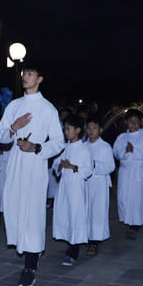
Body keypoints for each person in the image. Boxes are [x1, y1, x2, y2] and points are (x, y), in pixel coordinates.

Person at [0, 65, 64, 286]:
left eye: (30, 74)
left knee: (33, 211)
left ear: (40, 79)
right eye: (24, 74)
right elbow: (2, 137)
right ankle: (22, 249)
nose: (25, 77)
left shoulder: (47, 109)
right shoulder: (14, 105)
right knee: (15, 206)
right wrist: (13, 128)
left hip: (35, 165)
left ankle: (30, 266)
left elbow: (57, 141)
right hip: (15, 163)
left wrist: (37, 147)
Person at [51, 114, 91, 266]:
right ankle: (69, 241)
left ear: (78, 130)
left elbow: (88, 170)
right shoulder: (63, 148)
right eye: (65, 129)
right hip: (64, 186)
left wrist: (73, 167)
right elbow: (56, 165)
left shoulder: (84, 149)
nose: (65, 132)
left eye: (68, 129)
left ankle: (73, 250)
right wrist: (60, 166)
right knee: (65, 214)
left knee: (75, 215)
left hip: (76, 188)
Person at [113, 109, 143, 239]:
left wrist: (134, 151)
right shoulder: (121, 137)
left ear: (140, 122)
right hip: (125, 171)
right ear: (126, 122)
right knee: (123, 197)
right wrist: (125, 152)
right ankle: (127, 219)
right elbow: (116, 153)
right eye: (131, 122)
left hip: (138, 171)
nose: (134, 125)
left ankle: (134, 223)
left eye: (136, 122)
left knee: (136, 197)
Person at [84, 117, 114, 255]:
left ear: (100, 130)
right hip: (85, 183)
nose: (91, 131)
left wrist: (95, 164)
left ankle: (95, 241)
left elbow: (110, 166)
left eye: (94, 128)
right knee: (85, 210)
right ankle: (84, 236)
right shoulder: (83, 146)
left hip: (99, 183)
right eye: (89, 128)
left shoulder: (105, 147)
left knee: (97, 212)